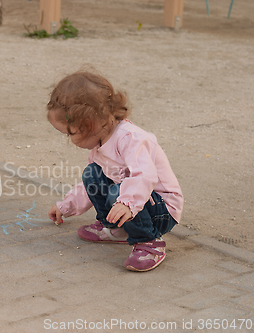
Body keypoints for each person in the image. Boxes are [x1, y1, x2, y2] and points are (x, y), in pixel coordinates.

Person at [47, 70, 183, 272]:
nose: (69, 140)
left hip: (161, 210)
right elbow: (89, 186)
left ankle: (149, 242)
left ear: (89, 124)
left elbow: (143, 176)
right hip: (131, 202)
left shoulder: (130, 138)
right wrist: (66, 206)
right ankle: (115, 229)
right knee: (92, 173)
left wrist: (127, 202)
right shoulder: (100, 145)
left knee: (118, 192)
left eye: (70, 133)